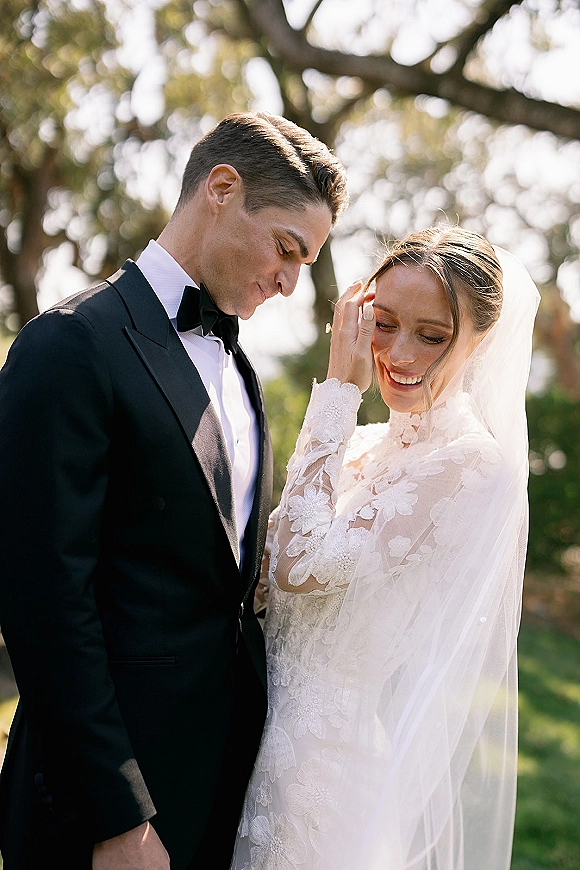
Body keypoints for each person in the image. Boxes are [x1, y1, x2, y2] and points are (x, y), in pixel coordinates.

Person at [0, 111, 348, 870]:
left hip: (218, 798)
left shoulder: (242, 372)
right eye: (287, 249)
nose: (292, 283)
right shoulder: (67, 347)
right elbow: (43, 604)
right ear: (221, 189)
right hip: (101, 815)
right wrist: (118, 817)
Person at [231, 226, 540, 870]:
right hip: (243, 741)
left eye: (432, 336)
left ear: (477, 342)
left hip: (321, 779)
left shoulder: (474, 466)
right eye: (384, 322)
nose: (397, 352)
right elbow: (261, 583)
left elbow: (296, 569)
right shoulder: (362, 443)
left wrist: (339, 389)